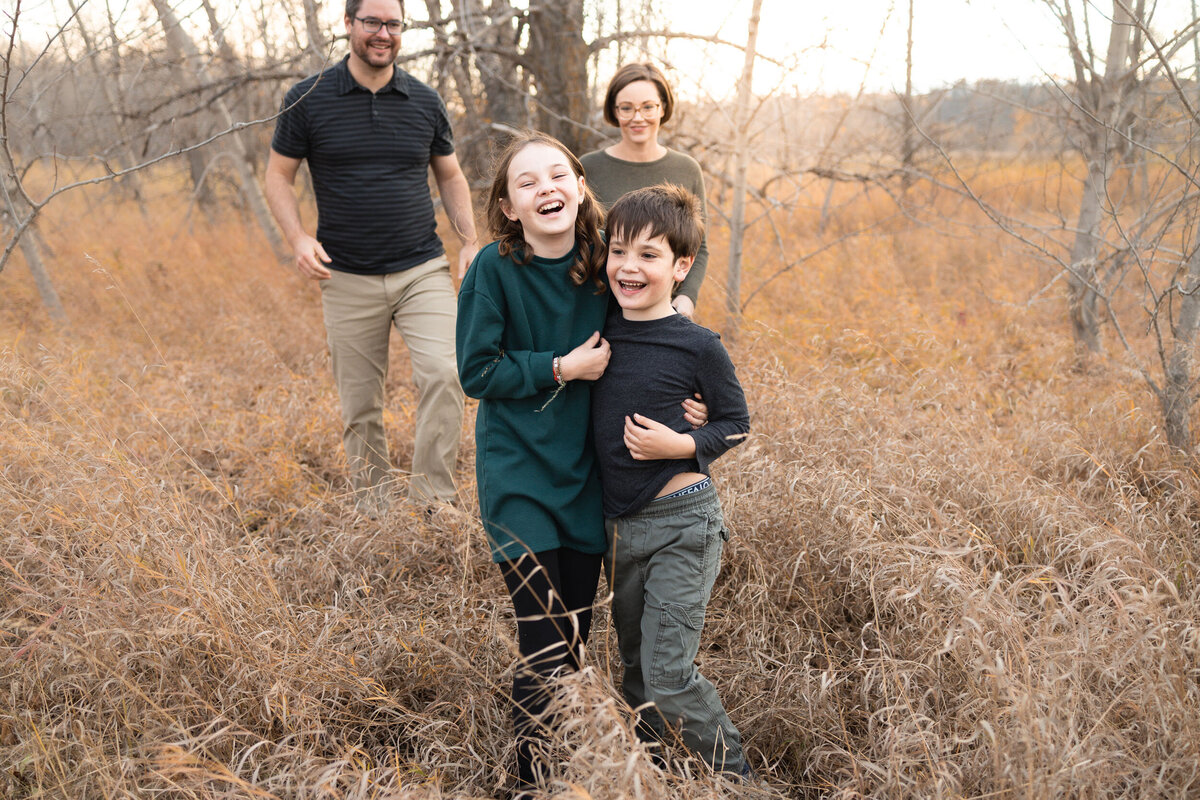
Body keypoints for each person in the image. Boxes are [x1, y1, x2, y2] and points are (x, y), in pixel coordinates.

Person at [265, 0, 478, 517]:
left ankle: (433, 500)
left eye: (393, 24)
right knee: (361, 404)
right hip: (346, 275)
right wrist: (297, 238)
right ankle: (376, 510)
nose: (383, 33)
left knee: (446, 373)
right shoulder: (308, 98)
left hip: (421, 267)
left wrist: (470, 240)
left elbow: (449, 175)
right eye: (372, 22)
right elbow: (278, 176)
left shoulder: (425, 100)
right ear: (349, 25)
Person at [592, 184, 752, 778]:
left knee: (667, 671)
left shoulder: (698, 345)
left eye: (650, 255)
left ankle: (736, 779)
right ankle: (663, 774)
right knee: (635, 666)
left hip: (683, 522)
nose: (630, 267)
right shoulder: (600, 330)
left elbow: (736, 424)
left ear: (682, 267)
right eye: (618, 251)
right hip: (616, 529)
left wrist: (682, 443)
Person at [580, 62, 709, 318]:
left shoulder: (686, 169)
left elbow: (699, 246)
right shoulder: (588, 167)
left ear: (662, 107)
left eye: (648, 107)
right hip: (598, 311)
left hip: (663, 313)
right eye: (626, 108)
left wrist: (686, 298)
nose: (637, 118)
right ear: (614, 112)